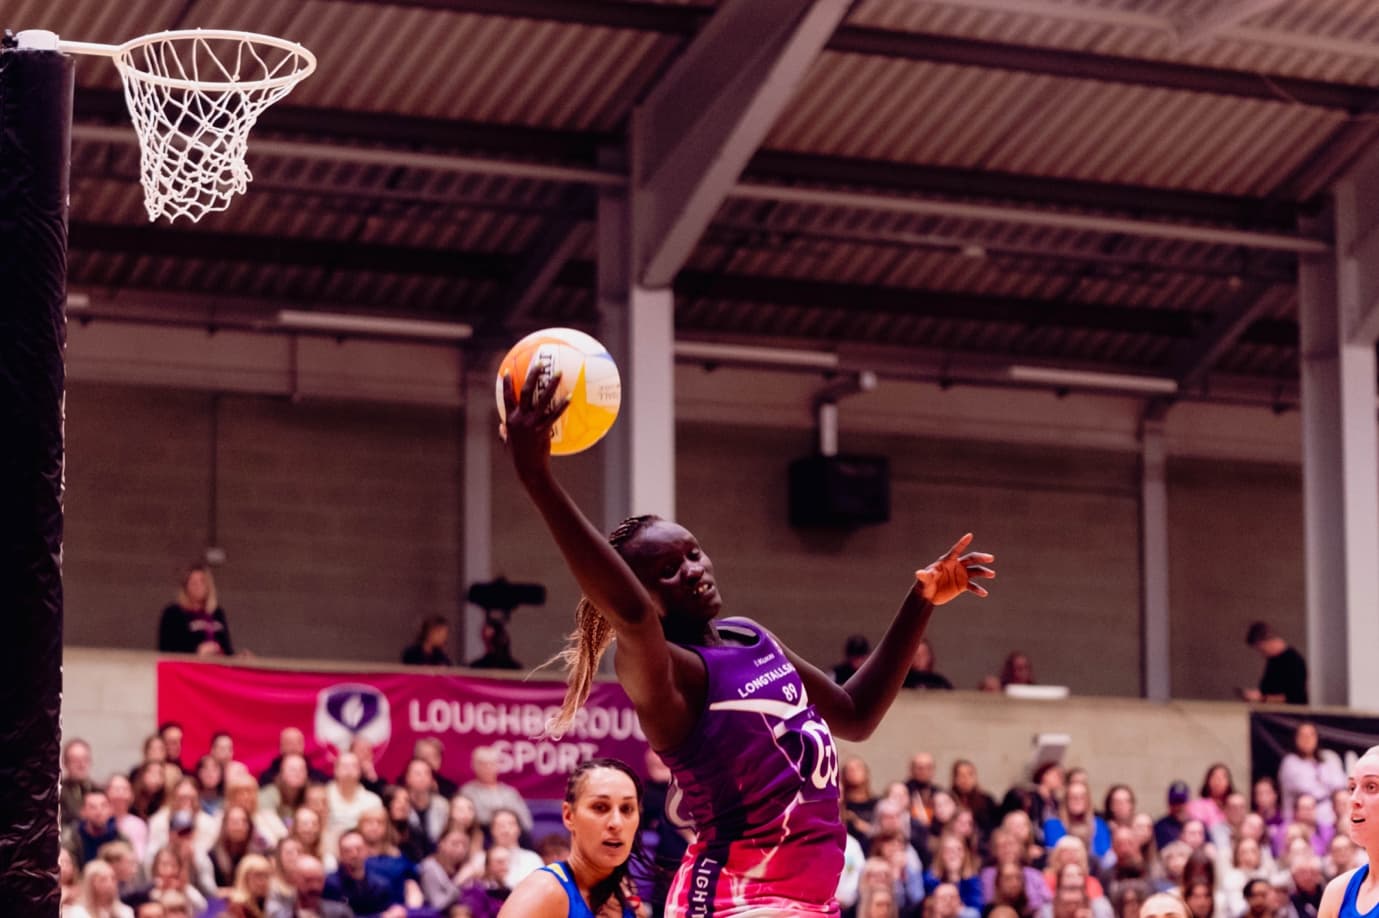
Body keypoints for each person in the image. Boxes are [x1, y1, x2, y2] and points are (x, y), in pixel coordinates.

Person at [499, 358, 995, 915]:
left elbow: (856, 714)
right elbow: (633, 617)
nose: (692, 569)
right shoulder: (666, 672)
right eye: (667, 571)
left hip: (808, 899)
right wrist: (537, 477)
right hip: (737, 896)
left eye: (691, 552)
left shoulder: (752, 638)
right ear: (644, 597)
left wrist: (920, 601)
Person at [497, 758, 644, 917]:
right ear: (568, 816)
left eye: (627, 809)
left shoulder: (626, 899)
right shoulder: (543, 891)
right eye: (600, 807)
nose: (616, 823)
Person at [1280, 723, 1348, 829]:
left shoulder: (1326, 760)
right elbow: (1307, 788)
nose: (1307, 739)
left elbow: (1341, 783)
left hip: (1328, 818)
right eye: (1303, 736)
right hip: (1299, 822)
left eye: (1311, 735)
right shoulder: (1290, 762)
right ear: (1296, 739)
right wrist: (1328, 788)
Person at [157, 563, 234, 656]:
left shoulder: (217, 612)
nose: (198, 586)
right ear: (186, 586)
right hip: (188, 666)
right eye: (193, 582)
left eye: (202, 581)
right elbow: (165, 648)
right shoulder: (173, 613)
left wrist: (238, 658)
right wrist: (196, 650)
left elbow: (227, 648)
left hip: (216, 666)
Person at [459, 746, 532, 834]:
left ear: (498, 766)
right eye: (482, 764)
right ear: (473, 766)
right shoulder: (466, 792)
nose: (487, 768)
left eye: (491, 764)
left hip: (511, 836)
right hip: (481, 837)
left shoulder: (509, 793)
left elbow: (526, 822)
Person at [1240, 622, 1308, 704]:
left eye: (1261, 649)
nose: (1262, 654)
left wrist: (1262, 698)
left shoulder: (1293, 661)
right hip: (1271, 713)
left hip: (1286, 715)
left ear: (1268, 642)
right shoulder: (1273, 660)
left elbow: (1295, 697)